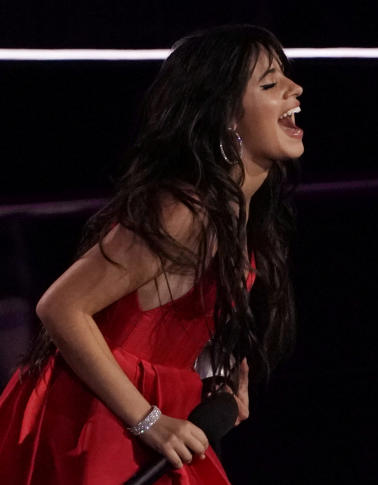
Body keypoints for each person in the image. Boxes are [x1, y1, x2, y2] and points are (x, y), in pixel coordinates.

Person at [0, 24, 303, 484]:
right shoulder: (185, 210)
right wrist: (148, 420)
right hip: (97, 417)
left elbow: (180, 318)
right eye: (270, 83)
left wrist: (215, 379)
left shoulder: (237, 213)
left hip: (149, 409)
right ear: (225, 116)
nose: (295, 88)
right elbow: (60, 306)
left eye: (286, 77)